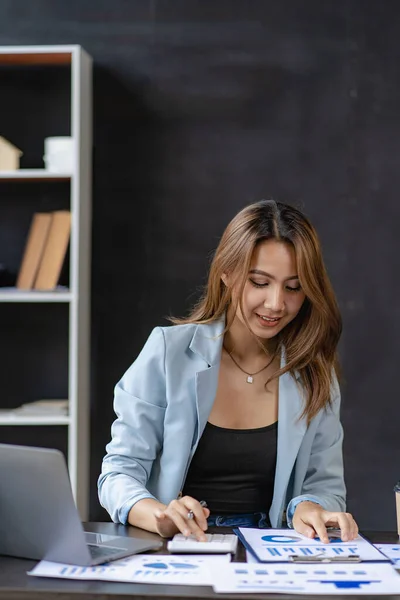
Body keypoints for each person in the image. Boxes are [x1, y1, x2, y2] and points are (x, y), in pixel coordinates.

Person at [98, 199, 358, 544]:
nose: (276, 303)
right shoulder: (167, 352)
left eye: (293, 287)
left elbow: (324, 485)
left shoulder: (313, 371)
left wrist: (310, 507)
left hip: (269, 554)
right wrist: (159, 516)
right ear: (227, 273)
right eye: (259, 282)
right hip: (178, 549)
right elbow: (118, 473)